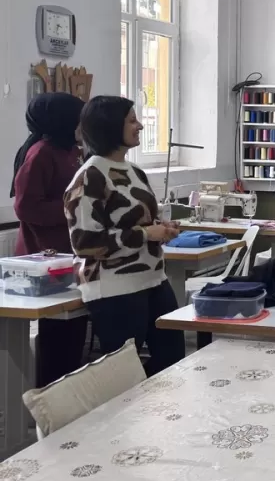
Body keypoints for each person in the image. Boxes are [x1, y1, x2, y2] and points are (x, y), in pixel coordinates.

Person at [63, 96, 185, 376]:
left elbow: (139, 223)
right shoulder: (90, 176)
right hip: (114, 288)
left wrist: (160, 230)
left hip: (152, 279)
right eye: (132, 121)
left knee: (174, 362)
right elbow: (84, 243)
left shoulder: (135, 172)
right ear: (109, 126)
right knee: (124, 374)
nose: (140, 126)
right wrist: (145, 234)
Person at [10, 93, 89, 387]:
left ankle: (67, 390)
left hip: (70, 251)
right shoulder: (41, 153)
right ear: (63, 121)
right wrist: (74, 208)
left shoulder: (71, 150)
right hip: (45, 255)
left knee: (74, 327)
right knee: (56, 334)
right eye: (79, 119)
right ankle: (51, 392)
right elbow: (26, 207)